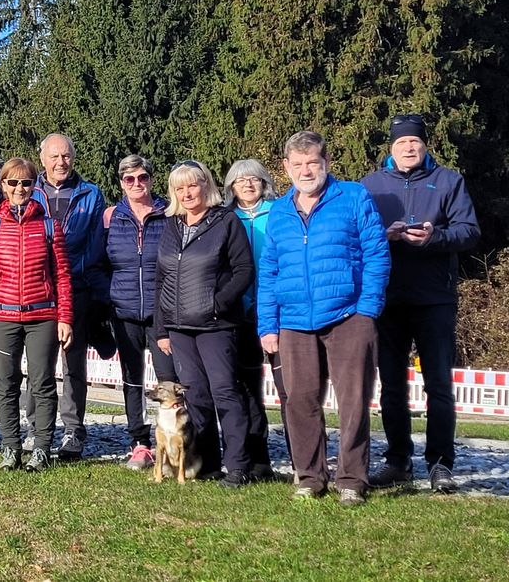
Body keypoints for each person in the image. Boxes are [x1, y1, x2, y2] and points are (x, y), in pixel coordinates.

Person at [258, 131, 390, 506]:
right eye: (297, 164)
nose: (305, 170)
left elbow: (377, 253)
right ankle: (310, 476)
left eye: (312, 162)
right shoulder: (280, 212)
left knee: (353, 400)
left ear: (326, 162)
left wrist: (368, 309)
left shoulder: (353, 197)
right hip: (295, 320)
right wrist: (268, 325)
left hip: (349, 316)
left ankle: (351, 479)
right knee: (299, 401)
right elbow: (270, 271)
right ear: (285, 168)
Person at [362, 114, 480, 493]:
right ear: (390, 148)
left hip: (435, 298)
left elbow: (469, 231)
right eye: (401, 143)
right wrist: (386, 234)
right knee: (391, 387)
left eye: (414, 142)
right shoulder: (372, 185)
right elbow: (358, 235)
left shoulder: (449, 180)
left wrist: (434, 237)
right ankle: (398, 461)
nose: (408, 148)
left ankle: (440, 463)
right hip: (389, 297)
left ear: (425, 145)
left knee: (439, 386)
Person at [154, 160, 255, 487]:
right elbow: (161, 278)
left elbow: (244, 271)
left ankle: (238, 465)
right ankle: (208, 463)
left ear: (205, 186)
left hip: (216, 325)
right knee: (195, 398)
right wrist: (161, 327)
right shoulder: (171, 225)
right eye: (179, 188)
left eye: (192, 185)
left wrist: (218, 303)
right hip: (180, 327)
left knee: (225, 392)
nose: (186, 193)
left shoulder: (226, 221)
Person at [0, 157, 73, 472]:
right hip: (2, 316)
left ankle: (41, 448)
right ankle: (11, 447)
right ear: (2, 186)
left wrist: (65, 317)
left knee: (42, 383)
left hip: (42, 315)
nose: (19, 188)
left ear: (34, 186)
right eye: (12, 183)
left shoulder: (48, 226)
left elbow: (63, 275)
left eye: (26, 182)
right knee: (6, 384)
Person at [29, 133, 105, 460]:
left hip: (76, 286)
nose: (61, 162)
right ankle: (36, 427)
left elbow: (97, 243)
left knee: (73, 362)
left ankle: (73, 429)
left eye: (67, 156)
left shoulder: (91, 193)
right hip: (37, 289)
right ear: (42, 159)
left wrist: (68, 270)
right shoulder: (28, 192)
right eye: (55, 156)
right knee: (38, 363)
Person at [103, 154, 176, 470]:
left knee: (169, 379)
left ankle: (175, 443)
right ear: (121, 183)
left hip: (163, 313)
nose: (136, 184)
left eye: (142, 177)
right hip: (124, 310)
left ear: (150, 179)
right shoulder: (110, 218)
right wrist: (108, 300)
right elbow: (99, 264)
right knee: (131, 379)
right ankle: (140, 443)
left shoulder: (169, 214)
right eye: (129, 179)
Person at [223, 158, 290, 480]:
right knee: (246, 386)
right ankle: (256, 455)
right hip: (240, 310)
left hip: (279, 308)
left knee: (289, 387)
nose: (248, 185)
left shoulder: (280, 213)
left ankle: (303, 457)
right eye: (240, 180)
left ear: (265, 183)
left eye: (254, 179)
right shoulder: (225, 218)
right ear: (230, 187)